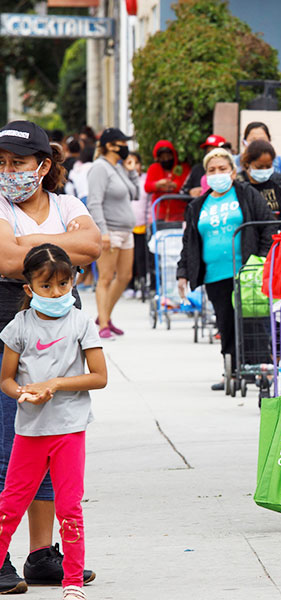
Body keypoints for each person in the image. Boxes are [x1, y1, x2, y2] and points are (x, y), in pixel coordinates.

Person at [0, 120, 99, 593]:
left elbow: (94, 246)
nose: (7, 172)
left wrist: (29, 251)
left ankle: (41, 555)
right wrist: (62, 252)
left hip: (62, 346)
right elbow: (4, 259)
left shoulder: (67, 203)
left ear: (42, 165)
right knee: (9, 448)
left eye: (16, 163)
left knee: (49, 441)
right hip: (11, 334)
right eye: (0, 163)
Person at [0, 244, 107, 600]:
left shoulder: (80, 322)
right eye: (46, 286)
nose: (56, 292)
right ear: (29, 288)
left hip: (69, 430)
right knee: (9, 507)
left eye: (64, 284)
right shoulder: (19, 326)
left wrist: (56, 384)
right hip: (29, 431)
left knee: (70, 508)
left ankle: (73, 581)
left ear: (74, 282)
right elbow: (6, 380)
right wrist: (22, 395)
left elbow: (99, 376)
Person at [176, 148, 274, 390]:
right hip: (215, 275)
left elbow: (267, 225)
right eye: (212, 170)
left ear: (232, 172)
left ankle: (262, 369)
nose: (217, 174)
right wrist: (183, 273)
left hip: (247, 272)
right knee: (226, 323)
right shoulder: (198, 205)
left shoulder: (246, 194)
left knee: (252, 320)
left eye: (222, 169)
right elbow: (189, 241)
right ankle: (231, 370)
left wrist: (259, 259)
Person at [86, 128, 138, 340]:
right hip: (111, 230)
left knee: (125, 276)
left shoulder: (117, 168)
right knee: (106, 277)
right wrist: (103, 232)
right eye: (122, 143)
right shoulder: (99, 168)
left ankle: (105, 315)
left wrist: (131, 171)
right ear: (110, 145)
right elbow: (94, 202)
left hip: (126, 231)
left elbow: (135, 194)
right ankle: (104, 324)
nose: (125, 147)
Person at [237, 140, 281, 220]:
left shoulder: (278, 180)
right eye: (259, 167)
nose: (264, 170)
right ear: (247, 164)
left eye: (268, 166)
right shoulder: (240, 184)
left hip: (279, 230)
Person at [238, 122, 281, 192]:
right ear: (244, 142)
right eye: (253, 140)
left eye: (262, 140)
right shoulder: (233, 161)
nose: (257, 144)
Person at [124, 152, 149, 298]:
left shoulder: (145, 180)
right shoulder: (121, 180)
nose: (133, 166)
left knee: (141, 256)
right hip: (125, 226)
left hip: (141, 224)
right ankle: (129, 285)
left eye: (136, 162)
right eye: (129, 162)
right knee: (128, 258)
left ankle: (143, 284)